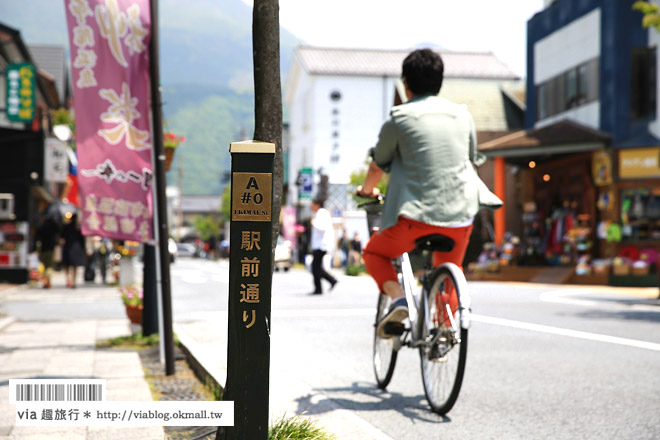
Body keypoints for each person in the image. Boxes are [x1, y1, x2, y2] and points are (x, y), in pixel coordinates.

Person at [356, 49, 500, 338]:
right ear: (439, 82)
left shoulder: (399, 117)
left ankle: (398, 299)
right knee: (449, 265)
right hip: (461, 216)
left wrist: (366, 190)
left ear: (406, 83)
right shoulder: (463, 116)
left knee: (373, 252)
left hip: (414, 217)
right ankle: (444, 330)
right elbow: (470, 158)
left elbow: (377, 165)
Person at [309, 198, 338, 295]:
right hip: (319, 245)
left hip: (321, 245)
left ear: (317, 205)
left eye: (312, 204)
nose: (311, 206)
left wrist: (314, 223)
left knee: (315, 268)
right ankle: (331, 281)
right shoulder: (320, 213)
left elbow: (322, 228)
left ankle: (320, 288)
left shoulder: (322, 213)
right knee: (317, 268)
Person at [61, 213, 87, 288]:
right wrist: (83, 249)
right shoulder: (78, 228)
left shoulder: (66, 226)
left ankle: (68, 279)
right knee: (74, 266)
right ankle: (73, 281)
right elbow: (82, 240)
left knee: (66, 265)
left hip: (67, 247)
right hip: (76, 248)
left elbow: (62, 237)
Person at [35, 214, 60, 289]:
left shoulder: (41, 227)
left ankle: (45, 281)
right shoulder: (54, 227)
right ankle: (48, 281)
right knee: (50, 266)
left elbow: (37, 239)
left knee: (44, 266)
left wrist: (36, 250)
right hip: (51, 249)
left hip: (43, 249)